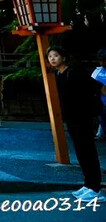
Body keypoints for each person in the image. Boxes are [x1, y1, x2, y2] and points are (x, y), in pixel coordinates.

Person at [47, 47, 103, 202]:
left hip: (82, 117)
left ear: (63, 57)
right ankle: (88, 184)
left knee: (88, 151)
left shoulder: (75, 72)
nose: (52, 59)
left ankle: (96, 188)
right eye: (50, 56)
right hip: (71, 118)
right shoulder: (58, 75)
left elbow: (96, 86)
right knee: (81, 151)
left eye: (56, 55)